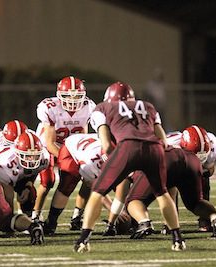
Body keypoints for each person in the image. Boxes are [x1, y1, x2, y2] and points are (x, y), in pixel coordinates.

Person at [74, 81, 185, 253]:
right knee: (162, 193)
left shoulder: (103, 108)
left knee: (97, 192)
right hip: (154, 149)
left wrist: (116, 162)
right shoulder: (147, 106)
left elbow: (106, 144)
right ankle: (177, 238)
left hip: (127, 147)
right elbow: (163, 140)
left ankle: (83, 239)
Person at [126, 146, 216, 240]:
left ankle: (144, 223)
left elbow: (120, 195)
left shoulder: (125, 158)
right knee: (195, 203)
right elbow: (170, 189)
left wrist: (112, 223)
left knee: (134, 200)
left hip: (162, 159)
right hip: (190, 158)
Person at [34, 76, 96, 224]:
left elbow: (82, 135)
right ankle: (36, 214)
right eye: (68, 95)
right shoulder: (50, 108)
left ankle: (77, 215)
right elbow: (50, 143)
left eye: (77, 96)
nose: (73, 100)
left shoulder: (88, 107)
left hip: (69, 148)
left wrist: (81, 158)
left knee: (88, 176)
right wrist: (69, 159)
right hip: (47, 148)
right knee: (48, 181)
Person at [43, 133, 129, 235]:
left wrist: (122, 212)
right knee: (67, 185)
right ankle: (51, 222)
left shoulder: (121, 155)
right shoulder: (89, 164)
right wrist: (112, 209)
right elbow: (96, 190)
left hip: (91, 145)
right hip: (71, 149)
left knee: (122, 185)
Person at [166, 125, 216, 231]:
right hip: (176, 164)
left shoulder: (213, 143)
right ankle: (171, 222)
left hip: (190, 165)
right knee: (170, 183)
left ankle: (205, 219)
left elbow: (210, 169)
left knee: (204, 178)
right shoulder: (170, 146)